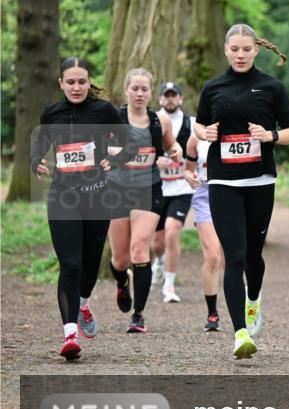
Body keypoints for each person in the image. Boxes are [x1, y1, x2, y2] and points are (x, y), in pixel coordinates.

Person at [194, 23, 289, 359]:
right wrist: (204, 132)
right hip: (223, 182)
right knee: (233, 256)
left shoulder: (271, 87)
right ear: (226, 50)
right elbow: (199, 124)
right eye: (234, 49)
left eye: (246, 50)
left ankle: (253, 298)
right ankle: (240, 333)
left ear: (256, 50)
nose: (240, 55)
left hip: (260, 182)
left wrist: (271, 137)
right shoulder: (213, 88)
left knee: (254, 257)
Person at [31, 57, 136, 360]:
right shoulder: (51, 114)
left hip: (97, 197)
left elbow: (130, 145)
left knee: (89, 267)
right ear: (60, 83)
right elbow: (39, 147)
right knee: (70, 265)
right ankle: (70, 334)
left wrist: (113, 161)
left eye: (82, 81)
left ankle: (84, 304)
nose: (76, 87)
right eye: (70, 82)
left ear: (89, 82)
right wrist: (36, 162)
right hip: (63, 197)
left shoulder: (103, 111)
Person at [106, 68, 183, 334]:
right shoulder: (112, 118)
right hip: (116, 190)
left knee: (140, 249)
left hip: (147, 190)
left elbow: (172, 146)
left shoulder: (159, 122)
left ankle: (138, 315)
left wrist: (175, 151)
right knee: (120, 260)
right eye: (135, 88)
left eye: (144, 89)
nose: (139, 93)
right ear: (126, 89)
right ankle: (121, 283)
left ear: (151, 93)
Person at [150, 81, 195, 303]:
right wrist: (155, 161)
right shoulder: (151, 122)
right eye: (166, 96)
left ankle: (169, 285)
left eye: (173, 95)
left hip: (181, 187)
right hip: (156, 187)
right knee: (157, 243)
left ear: (180, 99)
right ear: (159, 99)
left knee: (171, 232)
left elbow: (200, 150)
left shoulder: (191, 123)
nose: (170, 99)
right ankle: (158, 262)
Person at [184, 133, 223, 332]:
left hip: (230, 193)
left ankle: (248, 305)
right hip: (205, 194)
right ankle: (212, 312)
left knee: (234, 256)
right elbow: (188, 170)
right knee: (213, 256)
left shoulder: (236, 131)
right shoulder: (196, 138)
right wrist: (189, 176)